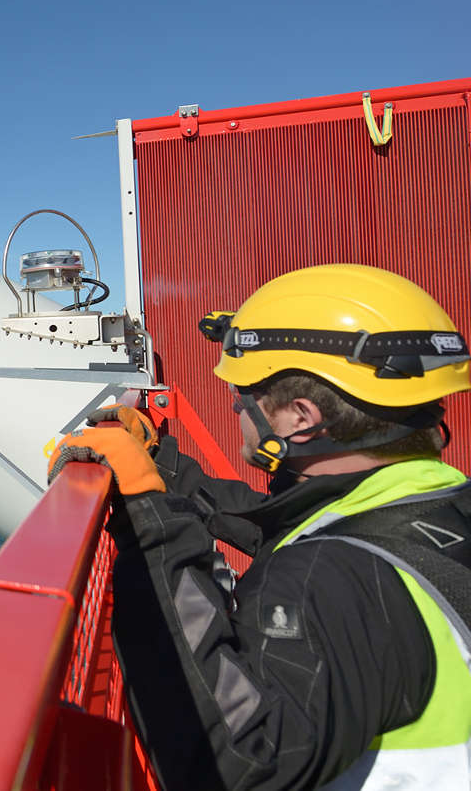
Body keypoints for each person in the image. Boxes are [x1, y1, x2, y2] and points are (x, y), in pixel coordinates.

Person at [49, 263, 471, 790]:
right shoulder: (437, 503)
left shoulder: (330, 575)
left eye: (243, 397)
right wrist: (162, 467)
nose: (234, 408)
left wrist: (148, 524)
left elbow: (235, 765)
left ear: (298, 417)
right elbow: (291, 525)